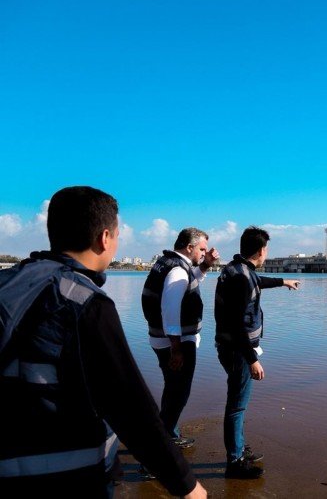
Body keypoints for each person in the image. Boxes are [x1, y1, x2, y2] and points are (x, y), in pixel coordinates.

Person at [0, 186, 206, 498]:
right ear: (105, 238)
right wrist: (185, 484)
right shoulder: (83, 300)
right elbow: (131, 406)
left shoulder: (12, 282)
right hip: (66, 478)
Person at [214, 226, 299, 479]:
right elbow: (236, 323)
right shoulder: (241, 276)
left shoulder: (236, 269)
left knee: (237, 404)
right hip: (238, 349)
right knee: (237, 406)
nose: (266, 253)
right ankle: (235, 462)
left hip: (229, 346)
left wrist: (283, 281)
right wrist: (252, 360)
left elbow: (257, 281)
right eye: (267, 249)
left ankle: (239, 449)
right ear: (262, 250)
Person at [141, 228, 219, 450]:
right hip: (175, 342)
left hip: (161, 338)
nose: (205, 253)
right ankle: (159, 448)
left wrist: (205, 265)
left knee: (172, 388)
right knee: (179, 393)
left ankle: (169, 434)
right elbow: (171, 308)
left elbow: (187, 282)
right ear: (190, 247)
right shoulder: (177, 270)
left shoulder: (169, 262)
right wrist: (176, 348)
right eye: (202, 249)